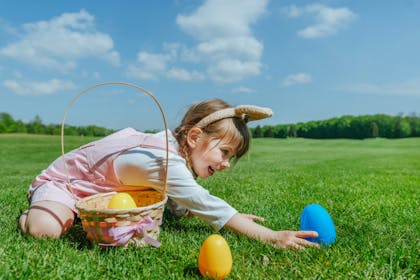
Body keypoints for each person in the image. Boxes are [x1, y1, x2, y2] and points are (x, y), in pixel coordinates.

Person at [19, 99, 319, 250]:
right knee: (44, 230)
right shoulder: (163, 160)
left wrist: (236, 218)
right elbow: (204, 202)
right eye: (224, 152)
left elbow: (184, 198)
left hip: (104, 194)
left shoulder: (173, 150)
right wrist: (271, 236)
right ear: (194, 137)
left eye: (232, 157)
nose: (227, 163)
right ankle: (30, 211)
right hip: (66, 186)